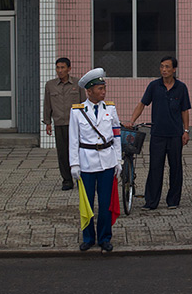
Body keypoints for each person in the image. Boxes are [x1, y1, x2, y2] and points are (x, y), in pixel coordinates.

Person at [127, 56, 191, 210]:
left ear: (174, 69)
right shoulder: (154, 86)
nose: (164, 70)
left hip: (175, 134)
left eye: (168, 67)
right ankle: (151, 201)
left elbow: (185, 111)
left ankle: (173, 200)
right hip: (157, 134)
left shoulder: (181, 87)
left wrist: (186, 130)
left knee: (175, 168)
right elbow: (142, 104)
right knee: (155, 168)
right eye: (162, 66)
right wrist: (132, 121)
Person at [69, 68, 122, 252]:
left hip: (107, 161)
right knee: (87, 202)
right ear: (89, 91)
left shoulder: (111, 109)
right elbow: (73, 139)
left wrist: (118, 160)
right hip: (87, 162)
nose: (103, 92)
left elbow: (116, 136)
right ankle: (88, 237)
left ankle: (105, 237)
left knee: (106, 203)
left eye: (104, 88)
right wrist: (74, 164)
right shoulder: (77, 112)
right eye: (100, 89)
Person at [43, 57, 85, 190]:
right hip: (59, 123)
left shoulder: (77, 84)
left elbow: (84, 104)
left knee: (79, 151)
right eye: (58, 68)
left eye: (62, 68)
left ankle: (80, 178)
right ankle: (67, 180)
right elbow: (47, 105)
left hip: (76, 125)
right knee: (62, 153)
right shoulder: (50, 85)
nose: (60, 71)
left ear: (69, 69)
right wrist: (47, 122)